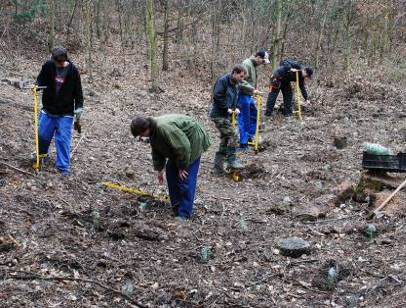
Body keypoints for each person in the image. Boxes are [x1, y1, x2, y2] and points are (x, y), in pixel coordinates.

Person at [130, 114, 211, 221]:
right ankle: (177, 208)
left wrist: (182, 167)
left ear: (145, 128)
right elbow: (157, 150)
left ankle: (184, 214)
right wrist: (159, 169)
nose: (141, 137)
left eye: (140, 134)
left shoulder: (164, 128)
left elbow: (183, 146)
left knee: (185, 178)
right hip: (179, 148)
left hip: (192, 141)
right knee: (171, 173)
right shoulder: (153, 131)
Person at [35, 47, 84, 175]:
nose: (58, 64)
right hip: (48, 109)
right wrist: (37, 86)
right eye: (56, 62)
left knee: (63, 139)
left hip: (65, 112)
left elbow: (78, 92)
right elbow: (41, 79)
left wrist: (79, 107)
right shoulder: (48, 65)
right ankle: (41, 156)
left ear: (64, 60)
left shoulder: (73, 72)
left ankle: (63, 168)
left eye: (60, 62)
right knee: (42, 135)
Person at [210, 65, 246, 175]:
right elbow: (217, 96)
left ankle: (217, 169)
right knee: (233, 135)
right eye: (241, 76)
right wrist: (227, 108)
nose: (242, 79)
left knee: (225, 140)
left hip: (228, 116)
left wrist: (237, 108)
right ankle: (232, 160)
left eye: (243, 77)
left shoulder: (236, 84)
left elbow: (236, 98)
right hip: (219, 115)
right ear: (234, 73)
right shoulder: (223, 81)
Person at [238, 51, 270, 150]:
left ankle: (250, 137)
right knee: (244, 119)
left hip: (249, 96)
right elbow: (240, 81)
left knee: (253, 115)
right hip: (242, 95)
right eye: (263, 61)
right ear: (258, 57)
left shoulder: (253, 65)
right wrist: (253, 90)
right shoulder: (246, 64)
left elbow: (250, 81)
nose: (263, 63)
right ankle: (243, 143)